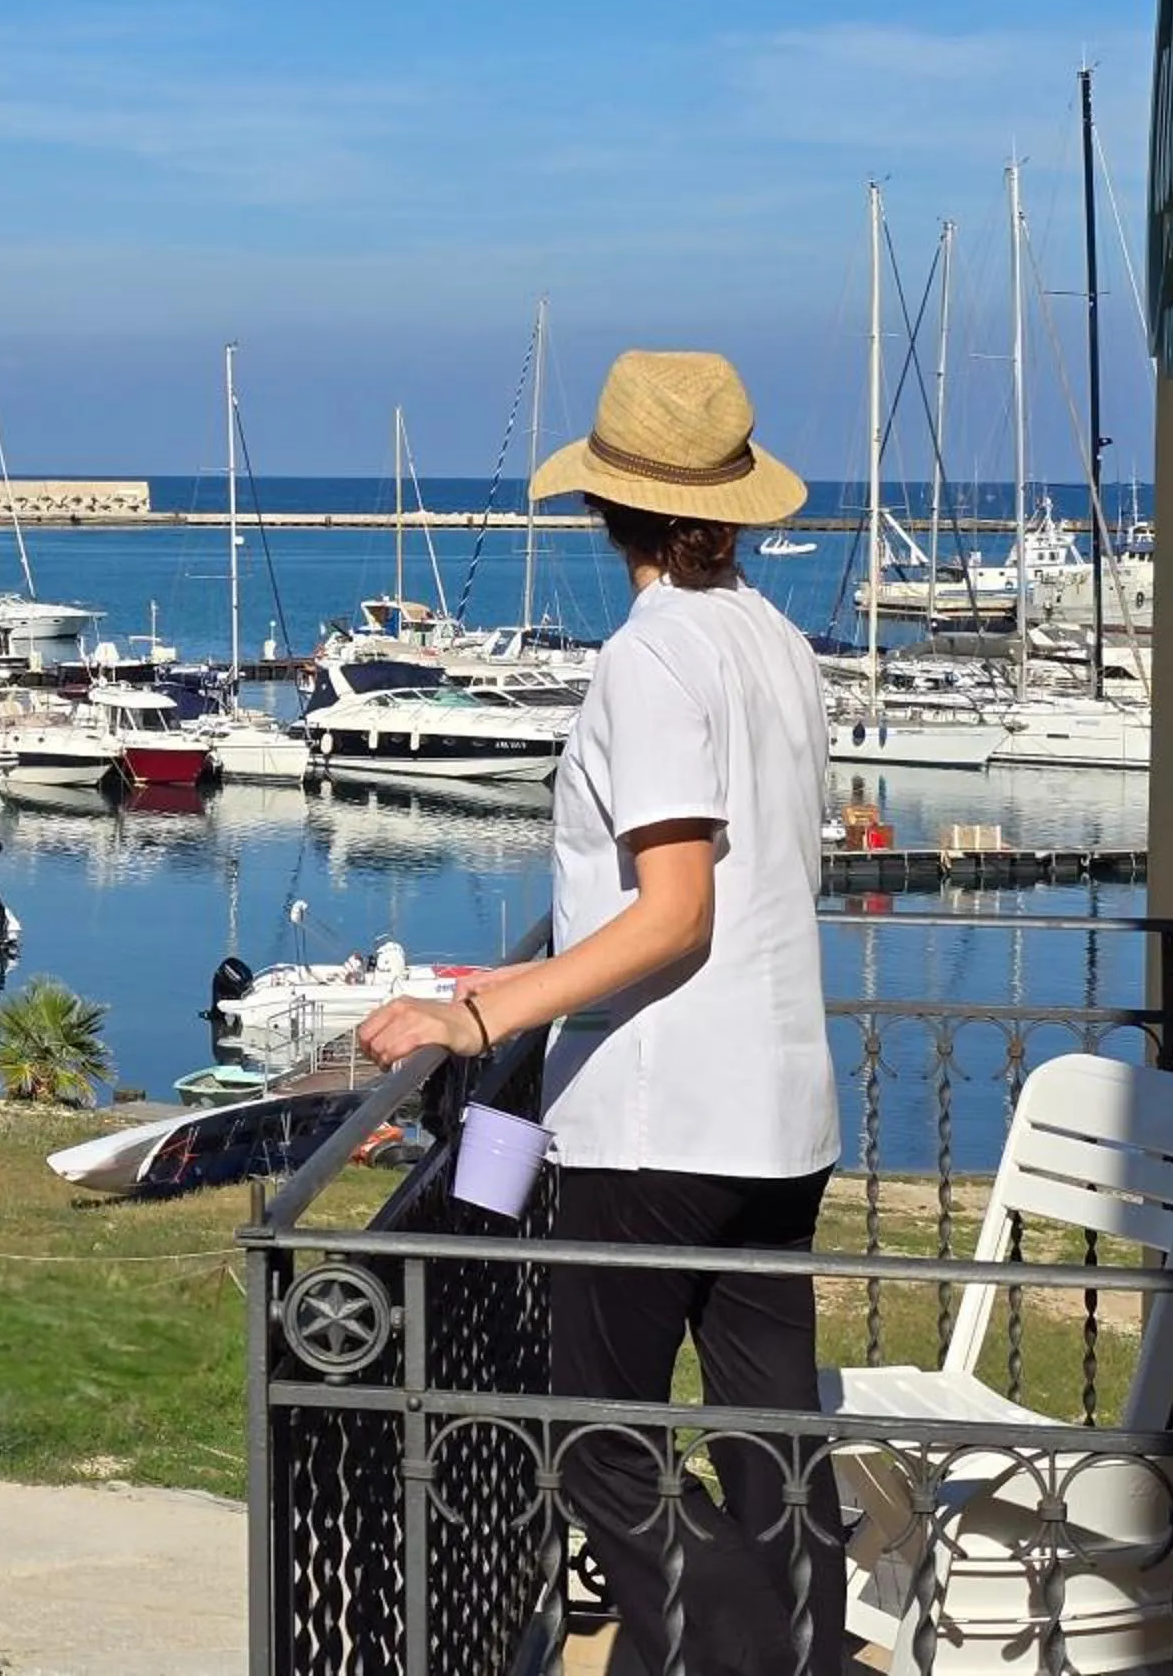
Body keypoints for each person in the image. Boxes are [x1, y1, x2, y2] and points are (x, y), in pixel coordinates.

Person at [357, 350, 844, 1676]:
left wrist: (480, 1011)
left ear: (605, 506)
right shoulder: (780, 643)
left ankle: (775, 1659)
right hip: (781, 1114)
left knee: (597, 1440)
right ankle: (797, 1644)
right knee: (771, 1452)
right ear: (732, 503)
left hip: (659, 1119)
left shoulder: (652, 654)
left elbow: (674, 908)